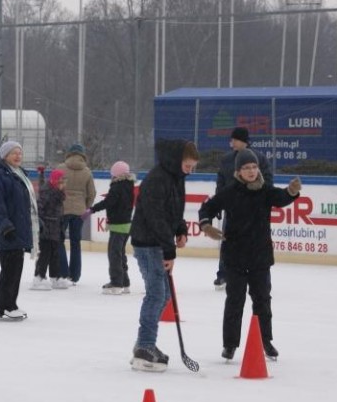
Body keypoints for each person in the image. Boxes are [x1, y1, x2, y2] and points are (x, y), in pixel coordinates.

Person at [198, 148, 301, 361]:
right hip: (235, 257)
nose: (251, 171)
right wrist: (206, 225)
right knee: (234, 301)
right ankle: (230, 345)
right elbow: (207, 208)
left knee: (262, 300)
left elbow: (281, 198)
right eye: (246, 168)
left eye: (254, 167)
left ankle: (266, 341)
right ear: (239, 171)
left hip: (260, 257)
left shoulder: (265, 190)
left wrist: (291, 192)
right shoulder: (230, 192)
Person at [129, 140, 199, 372]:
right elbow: (155, 216)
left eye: (192, 167)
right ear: (177, 160)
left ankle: (143, 343)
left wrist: (180, 229)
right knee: (156, 294)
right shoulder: (157, 179)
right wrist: (168, 249)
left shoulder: (175, 178)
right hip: (149, 243)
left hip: (158, 241)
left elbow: (174, 210)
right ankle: (146, 346)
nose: (190, 171)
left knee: (164, 294)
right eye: (188, 166)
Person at [213, 127, 273, 290]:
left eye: (234, 139)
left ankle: (262, 277)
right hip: (233, 209)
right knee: (228, 242)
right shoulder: (226, 160)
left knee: (257, 244)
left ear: (242, 141)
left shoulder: (259, 158)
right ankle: (223, 274)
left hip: (254, 210)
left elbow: (268, 181)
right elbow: (221, 182)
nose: (231, 142)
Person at [0, 141, 39, 320]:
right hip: (7, 231)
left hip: (19, 229)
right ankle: (6, 306)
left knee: (15, 270)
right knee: (10, 270)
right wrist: (5, 226)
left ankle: (9, 305)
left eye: (20, 153)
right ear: (4, 156)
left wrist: (36, 223)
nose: (18, 156)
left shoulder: (19, 175)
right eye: (13, 153)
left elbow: (26, 206)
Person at [86, 160, 135, 295]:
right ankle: (125, 283)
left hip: (118, 226)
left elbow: (108, 202)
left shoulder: (117, 187)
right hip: (126, 225)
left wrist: (92, 209)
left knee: (114, 255)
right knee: (120, 254)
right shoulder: (129, 186)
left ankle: (116, 283)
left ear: (116, 175)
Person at [56, 144, 95, 286]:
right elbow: (92, 193)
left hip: (62, 209)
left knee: (59, 240)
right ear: (82, 155)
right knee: (75, 242)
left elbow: (53, 187)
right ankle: (75, 275)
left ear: (69, 154)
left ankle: (63, 272)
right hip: (79, 211)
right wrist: (86, 207)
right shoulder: (87, 172)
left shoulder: (60, 168)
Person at [31, 169, 69, 290]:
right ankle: (39, 277)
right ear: (54, 181)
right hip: (46, 228)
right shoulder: (47, 192)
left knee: (55, 254)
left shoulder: (58, 193)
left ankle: (55, 277)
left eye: (64, 181)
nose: (63, 184)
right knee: (44, 254)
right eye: (60, 181)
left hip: (56, 228)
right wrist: (41, 224)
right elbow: (39, 208)